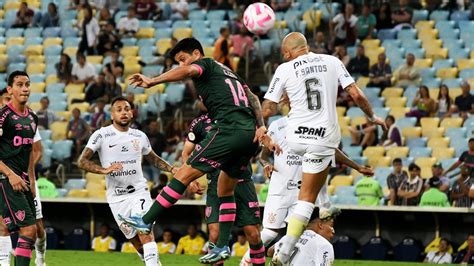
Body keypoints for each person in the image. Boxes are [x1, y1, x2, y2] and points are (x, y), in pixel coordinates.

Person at [121, 37, 278, 264]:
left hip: (229, 130)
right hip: (250, 136)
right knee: (225, 190)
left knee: (185, 173)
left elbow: (188, 72)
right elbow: (253, 97)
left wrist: (153, 81)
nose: (183, 65)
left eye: (183, 59)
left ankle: (145, 220)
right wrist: (261, 125)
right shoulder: (229, 72)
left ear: (196, 54)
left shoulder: (205, 64)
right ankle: (222, 247)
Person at [261, 32, 385, 265]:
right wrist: (372, 116)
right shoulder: (332, 61)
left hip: (294, 138)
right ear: (307, 47)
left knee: (308, 182)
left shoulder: (284, 69)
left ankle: (324, 203)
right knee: (307, 199)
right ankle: (285, 252)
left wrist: (257, 125)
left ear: (287, 53)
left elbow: (268, 107)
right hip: (322, 137)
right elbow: (356, 94)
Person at [241, 110, 374, 266]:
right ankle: (244, 263)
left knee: (296, 235)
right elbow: (262, 156)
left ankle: (284, 261)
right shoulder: (278, 125)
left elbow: (330, 149)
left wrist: (357, 167)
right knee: (269, 233)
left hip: (301, 193)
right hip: (279, 190)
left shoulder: (313, 126)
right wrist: (267, 164)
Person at [78, 96, 177, 265]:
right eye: (119, 109)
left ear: (132, 113)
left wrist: (172, 168)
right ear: (112, 114)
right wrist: (104, 170)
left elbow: (153, 158)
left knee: (144, 231)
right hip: (116, 198)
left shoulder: (139, 136)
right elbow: (82, 161)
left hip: (139, 192)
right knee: (137, 244)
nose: (123, 112)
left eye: (126, 109)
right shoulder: (102, 134)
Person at [183, 107, 265, 266]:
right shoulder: (199, 124)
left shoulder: (242, 116)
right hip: (214, 183)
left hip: (241, 180)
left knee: (253, 234)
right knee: (214, 234)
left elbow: (258, 139)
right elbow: (187, 153)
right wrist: (191, 180)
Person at [0, 71, 38, 266]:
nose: (25, 88)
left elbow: (29, 150)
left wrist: (31, 180)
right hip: (6, 179)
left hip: (23, 180)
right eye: (20, 84)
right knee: (29, 229)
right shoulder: (3, 116)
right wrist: (10, 175)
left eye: (27, 84)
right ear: (10, 89)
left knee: (31, 233)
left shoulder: (32, 117)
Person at [270, 207, 339, 266]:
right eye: (331, 226)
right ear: (320, 225)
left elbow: (270, 251)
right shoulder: (323, 244)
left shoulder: (287, 238)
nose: (333, 231)